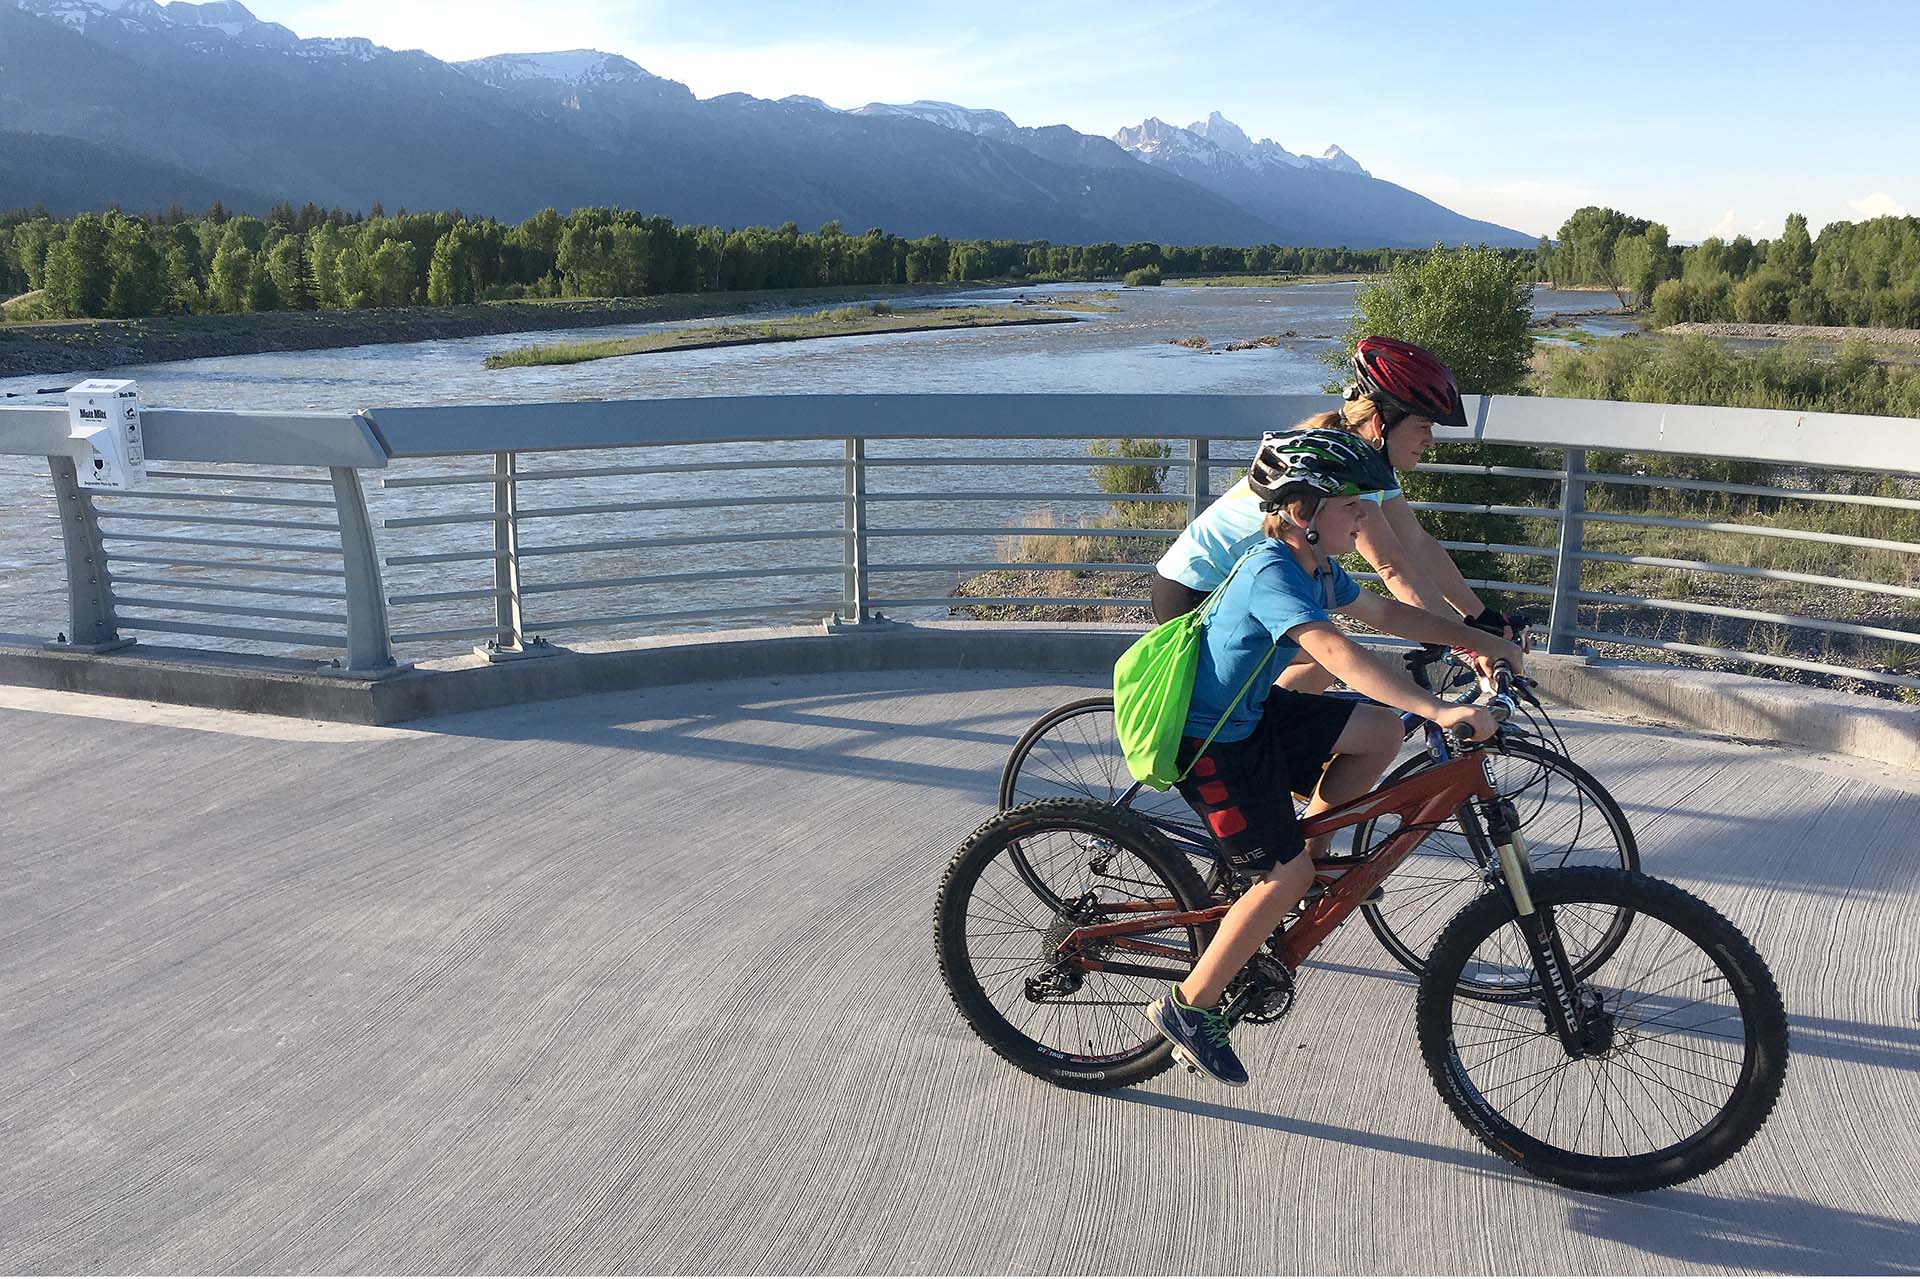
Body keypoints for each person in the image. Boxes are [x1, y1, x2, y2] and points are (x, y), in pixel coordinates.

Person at [1145, 434, 1527, 1087]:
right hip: (1210, 742)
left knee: (1379, 729)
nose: (1364, 518)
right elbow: (1337, 653)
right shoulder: (1271, 569)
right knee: (1282, 878)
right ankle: (1190, 1006)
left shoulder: (1320, 568)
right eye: (1353, 507)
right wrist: (1438, 711)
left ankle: (1303, 865)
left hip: (1253, 718)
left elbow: (1390, 615)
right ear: (1304, 513)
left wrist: (1481, 643)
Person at [1150, 337, 1518, 692]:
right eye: (1423, 426)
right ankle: (1243, 749)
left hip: (1237, 583)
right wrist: (1469, 646)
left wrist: (1478, 618)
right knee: (1327, 663)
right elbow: (1393, 568)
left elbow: (1416, 543)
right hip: (1196, 589)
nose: (1430, 441)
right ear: (1380, 426)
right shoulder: (1342, 476)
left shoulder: (1360, 460)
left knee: (1319, 678)